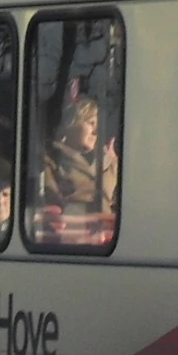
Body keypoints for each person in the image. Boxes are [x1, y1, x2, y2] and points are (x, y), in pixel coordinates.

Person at [36, 97, 119, 247]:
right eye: (91, 123)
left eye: (99, 125)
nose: (96, 131)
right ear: (69, 125)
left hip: (107, 243)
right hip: (71, 244)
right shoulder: (50, 160)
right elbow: (50, 204)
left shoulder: (111, 162)